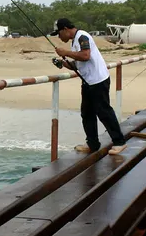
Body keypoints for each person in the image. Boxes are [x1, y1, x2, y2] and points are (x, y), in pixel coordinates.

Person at [52, 18, 127, 155]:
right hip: (88, 82)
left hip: (98, 81)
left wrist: (65, 52)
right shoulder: (75, 41)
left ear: (65, 29)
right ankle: (92, 144)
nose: (59, 37)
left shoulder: (82, 36)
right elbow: (78, 64)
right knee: (87, 113)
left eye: (59, 33)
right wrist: (62, 63)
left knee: (104, 112)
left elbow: (85, 56)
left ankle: (119, 142)